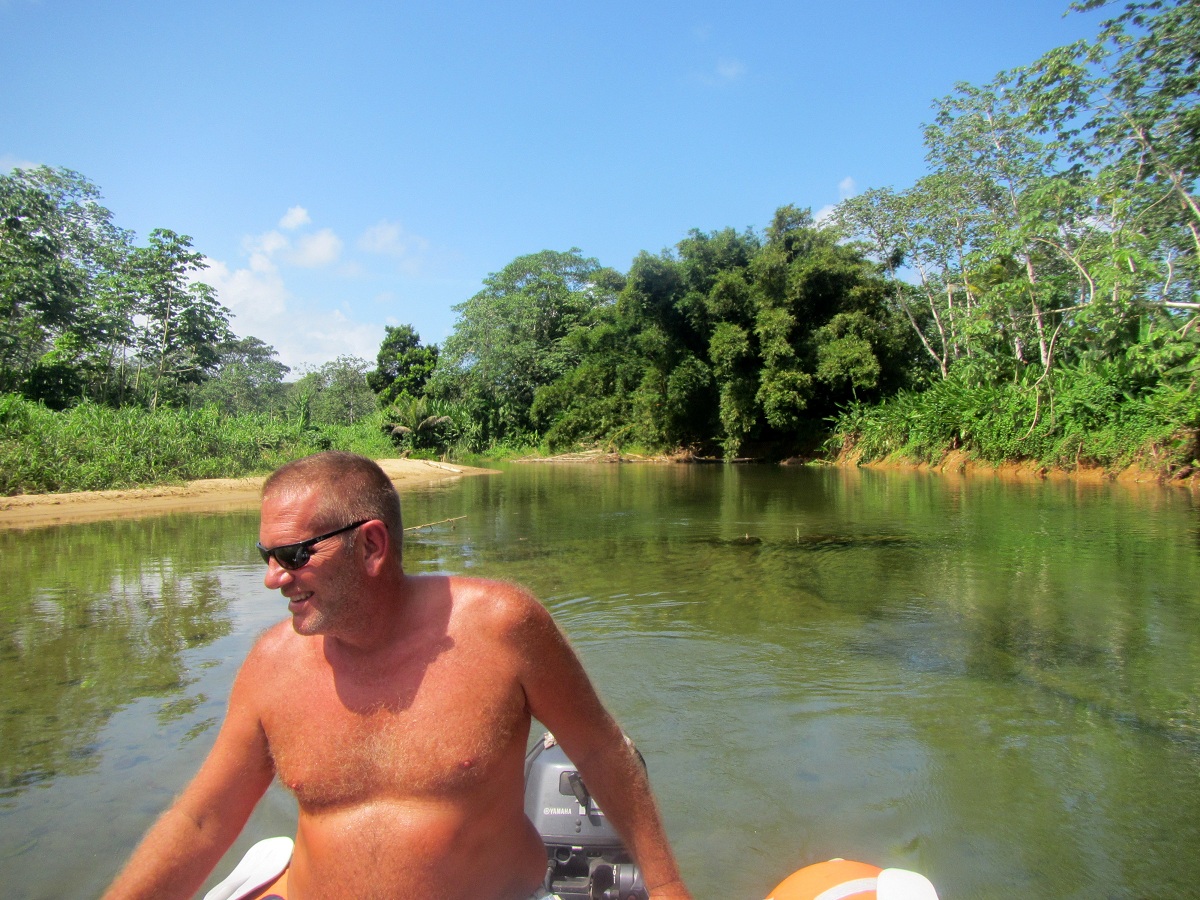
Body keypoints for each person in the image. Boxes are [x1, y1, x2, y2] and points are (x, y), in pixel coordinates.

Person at [103, 451, 692, 900]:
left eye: (293, 556)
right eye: (266, 556)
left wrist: (667, 889)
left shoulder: (502, 627)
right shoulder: (270, 665)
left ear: (371, 546)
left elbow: (599, 748)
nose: (273, 578)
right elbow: (201, 820)